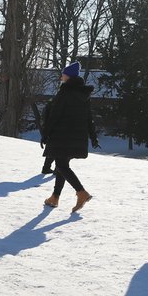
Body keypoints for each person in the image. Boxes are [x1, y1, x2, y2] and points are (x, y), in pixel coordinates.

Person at [41, 62, 98, 214]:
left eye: (63, 75)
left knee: (61, 165)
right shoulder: (83, 95)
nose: (61, 77)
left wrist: (45, 134)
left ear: (69, 76)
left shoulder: (64, 93)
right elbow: (89, 117)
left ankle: (81, 193)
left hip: (62, 136)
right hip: (76, 137)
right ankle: (54, 197)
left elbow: (54, 116)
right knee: (62, 164)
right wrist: (93, 136)